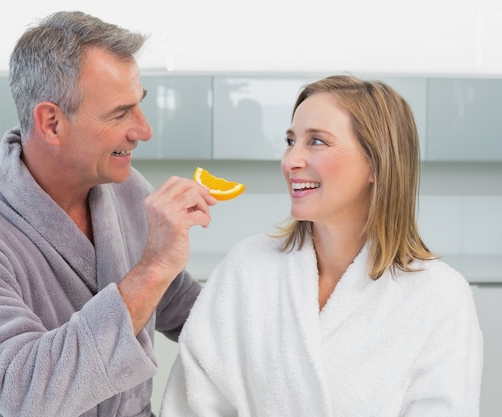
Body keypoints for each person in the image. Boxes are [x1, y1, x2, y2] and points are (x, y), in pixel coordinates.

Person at [0, 11, 217, 417]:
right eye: (120, 113)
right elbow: (29, 395)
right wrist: (153, 268)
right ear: (52, 123)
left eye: (140, 107)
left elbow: (178, 306)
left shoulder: (127, 191)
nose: (143, 130)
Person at [160, 74, 483, 416]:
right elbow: (193, 402)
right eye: (290, 140)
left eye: (316, 142)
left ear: (376, 162)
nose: (290, 161)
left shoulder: (439, 296)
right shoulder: (246, 268)